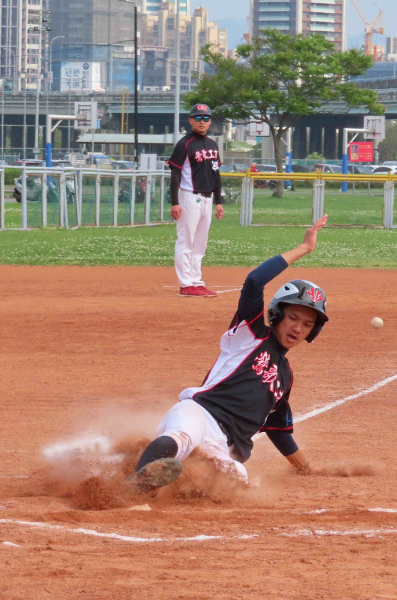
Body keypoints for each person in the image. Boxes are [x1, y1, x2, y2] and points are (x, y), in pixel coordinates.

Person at [128, 214, 330, 494]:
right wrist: (304, 249)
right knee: (181, 437)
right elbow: (254, 282)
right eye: (293, 317)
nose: (298, 328)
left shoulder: (284, 378)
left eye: (307, 324)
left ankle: (180, 475)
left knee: (237, 478)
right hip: (199, 413)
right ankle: (134, 488)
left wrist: (306, 469)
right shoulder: (251, 334)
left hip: (223, 447)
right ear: (278, 314)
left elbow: (279, 431)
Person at [166, 103, 224, 298]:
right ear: (190, 120)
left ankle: (196, 281)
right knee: (186, 241)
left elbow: (216, 174)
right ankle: (185, 284)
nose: (202, 121)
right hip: (189, 196)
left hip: (208, 198)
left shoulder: (212, 144)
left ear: (210, 121)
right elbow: (175, 174)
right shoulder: (184, 144)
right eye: (198, 117)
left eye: (205, 118)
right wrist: (174, 202)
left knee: (200, 243)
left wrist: (218, 201)